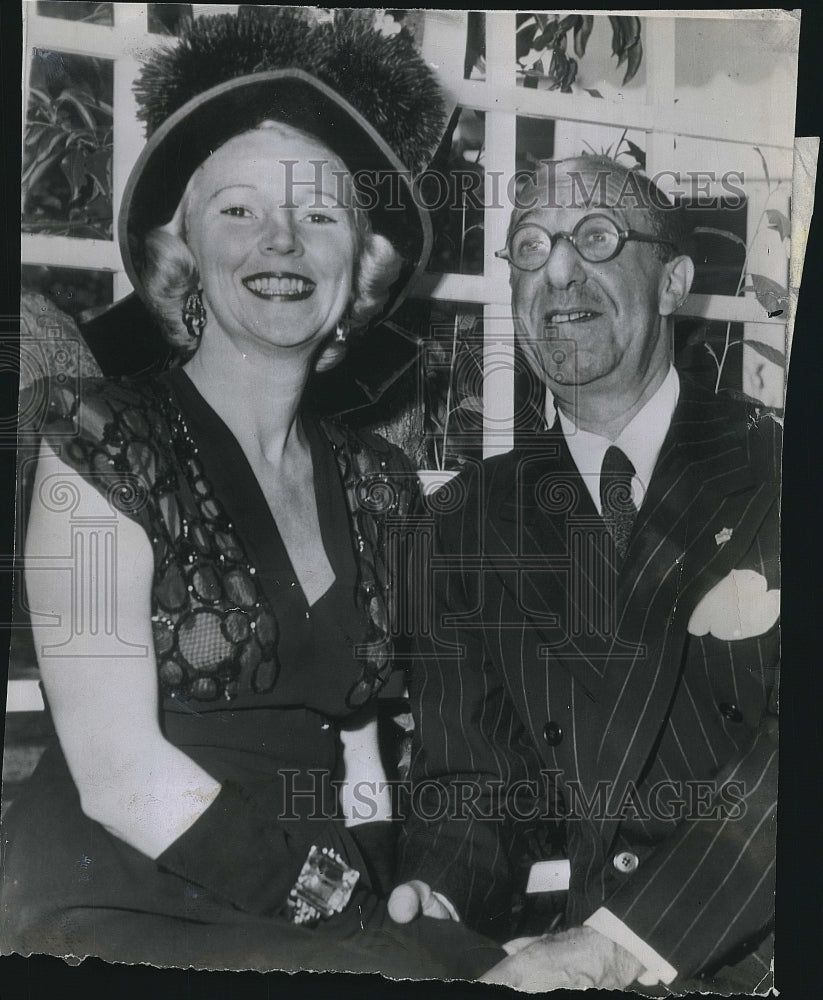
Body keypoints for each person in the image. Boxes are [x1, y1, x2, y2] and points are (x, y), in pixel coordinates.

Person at [1, 10, 503, 978]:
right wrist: (343, 908)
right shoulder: (97, 440)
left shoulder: (379, 483)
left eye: (319, 214)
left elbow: (357, 751)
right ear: (182, 248)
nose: (281, 241)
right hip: (115, 892)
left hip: (313, 904)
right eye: (238, 210)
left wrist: (390, 886)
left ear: (360, 266)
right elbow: (116, 774)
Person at [390, 155, 780, 993]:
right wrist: (439, 892)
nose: (557, 271)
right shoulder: (460, 521)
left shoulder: (779, 467)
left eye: (594, 238)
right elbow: (476, 777)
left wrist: (621, 943)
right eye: (528, 247)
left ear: (672, 280)